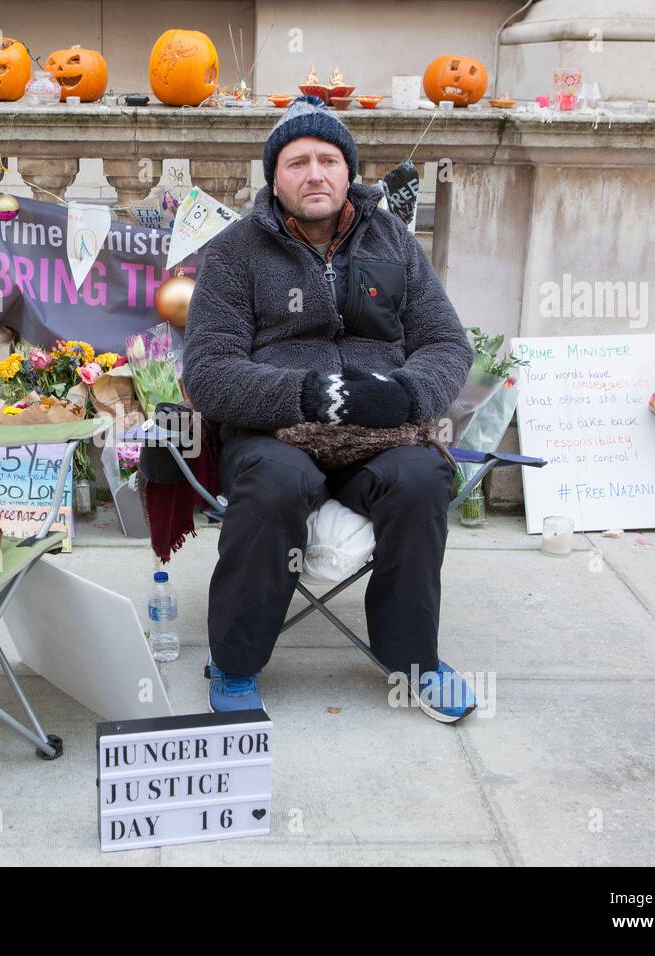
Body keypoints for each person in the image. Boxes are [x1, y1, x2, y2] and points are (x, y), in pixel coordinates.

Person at [181, 95, 477, 722]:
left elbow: (446, 342)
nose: (313, 174)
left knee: (422, 480)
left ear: (348, 171)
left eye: (327, 160)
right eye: (296, 163)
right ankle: (234, 662)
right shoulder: (234, 253)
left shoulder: (395, 240)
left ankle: (413, 660)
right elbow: (208, 372)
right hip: (275, 431)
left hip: (383, 429)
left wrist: (407, 396)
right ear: (274, 177)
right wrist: (311, 394)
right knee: (273, 485)